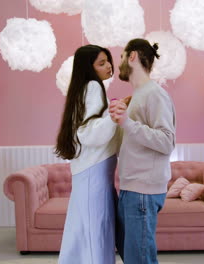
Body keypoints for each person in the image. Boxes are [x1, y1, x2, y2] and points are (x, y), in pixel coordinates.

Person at [109, 38, 176, 264]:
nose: (118, 64)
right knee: (132, 256)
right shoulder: (138, 95)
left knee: (140, 259)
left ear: (133, 56)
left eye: (121, 57)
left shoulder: (154, 94)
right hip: (132, 188)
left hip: (143, 192)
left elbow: (167, 141)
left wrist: (127, 122)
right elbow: (133, 138)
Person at [54, 44, 119, 264]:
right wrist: (115, 113)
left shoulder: (84, 88)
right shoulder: (93, 86)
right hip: (95, 170)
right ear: (88, 68)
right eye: (101, 63)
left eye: (108, 60)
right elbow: (89, 133)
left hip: (91, 169)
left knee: (85, 230)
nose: (109, 66)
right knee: (95, 231)